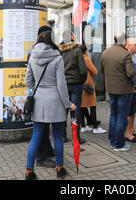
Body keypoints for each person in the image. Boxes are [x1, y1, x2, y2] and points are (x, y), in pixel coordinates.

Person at [24, 30, 76, 180]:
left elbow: (28, 80)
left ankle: (29, 172)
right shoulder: (57, 57)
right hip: (56, 101)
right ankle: (60, 169)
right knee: (58, 136)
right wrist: (68, 103)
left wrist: (37, 89)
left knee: (36, 136)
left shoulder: (33, 55)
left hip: (39, 100)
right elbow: (61, 84)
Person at [100, 33, 136, 152]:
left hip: (110, 89)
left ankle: (112, 141)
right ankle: (119, 144)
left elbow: (102, 70)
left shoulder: (105, 52)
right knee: (121, 117)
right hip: (124, 90)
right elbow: (130, 73)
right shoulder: (125, 54)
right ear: (124, 41)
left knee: (113, 115)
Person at [27, 25, 56, 169]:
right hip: (44, 95)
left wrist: (33, 91)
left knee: (44, 127)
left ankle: (47, 150)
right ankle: (41, 157)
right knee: (41, 129)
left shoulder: (34, 50)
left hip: (38, 94)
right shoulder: (40, 52)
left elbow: (29, 78)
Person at [59, 30, 88, 144]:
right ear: (71, 37)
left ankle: (62, 136)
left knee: (63, 111)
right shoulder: (77, 50)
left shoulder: (58, 51)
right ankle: (76, 137)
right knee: (76, 111)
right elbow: (83, 69)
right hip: (76, 84)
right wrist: (81, 81)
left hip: (63, 85)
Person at [79, 44, 106, 134]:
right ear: (85, 51)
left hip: (80, 85)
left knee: (82, 106)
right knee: (93, 106)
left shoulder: (76, 59)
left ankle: (83, 126)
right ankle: (95, 127)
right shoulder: (86, 59)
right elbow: (95, 71)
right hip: (88, 86)